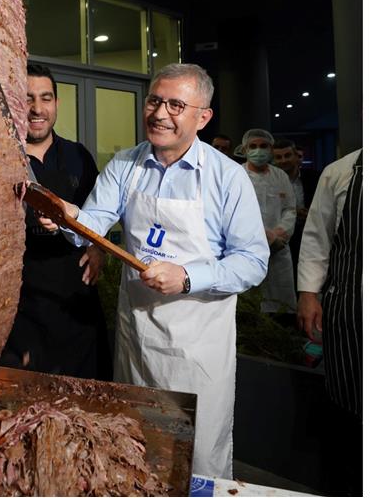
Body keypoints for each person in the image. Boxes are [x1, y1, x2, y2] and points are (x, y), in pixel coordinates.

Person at [37, 63, 268, 479]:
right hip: (137, 339)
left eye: (176, 104)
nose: (160, 113)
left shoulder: (227, 177)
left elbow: (252, 261)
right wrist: (70, 218)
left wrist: (188, 276)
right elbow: (93, 223)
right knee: (134, 446)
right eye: (155, 101)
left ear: (203, 116)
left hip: (197, 347)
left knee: (197, 457)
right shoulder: (126, 164)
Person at [0, 63, 112, 380]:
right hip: (22, 309)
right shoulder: (1, 160)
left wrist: (98, 249)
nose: (37, 109)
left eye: (46, 98)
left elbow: (99, 220)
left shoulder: (79, 156)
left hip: (77, 304)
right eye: (28, 98)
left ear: (57, 103)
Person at [296, 149, 362, 495]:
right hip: (351, 309)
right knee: (347, 408)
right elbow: (316, 238)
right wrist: (308, 293)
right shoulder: (341, 172)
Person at [241, 129, 297, 319]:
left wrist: (280, 232)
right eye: (253, 146)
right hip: (248, 248)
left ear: (271, 149)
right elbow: (235, 212)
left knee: (280, 307)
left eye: (263, 146)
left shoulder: (280, 175)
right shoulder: (237, 174)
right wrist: (264, 235)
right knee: (250, 307)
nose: (259, 150)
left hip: (279, 249)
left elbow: (290, 208)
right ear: (244, 149)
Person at [272, 138, 320, 276]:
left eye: (287, 155)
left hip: (309, 236)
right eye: (278, 157)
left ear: (296, 156)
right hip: (281, 239)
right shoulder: (269, 181)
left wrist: (310, 214)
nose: (283, 160)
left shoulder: (315, 178)